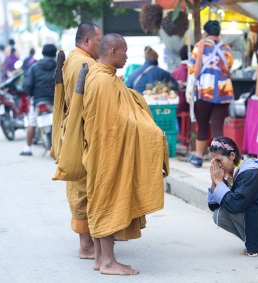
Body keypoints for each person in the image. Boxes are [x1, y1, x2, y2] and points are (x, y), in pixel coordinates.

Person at [82, 33, 167, 275]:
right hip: (108, 151)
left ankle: (101, 258)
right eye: (124, 51)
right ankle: (108, 263)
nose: (128, 56)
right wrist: (152, 132)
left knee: (100, 200)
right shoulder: (104, 81)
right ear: (112, 52)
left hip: (100, 150)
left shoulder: (102, 77)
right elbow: (119, 122)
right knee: (107, 200)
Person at [52, 22, 102, 260]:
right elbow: (94, 103)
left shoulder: (72, 57)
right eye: (99, 41)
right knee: (84, 188)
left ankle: (88, 241)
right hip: (83, 133)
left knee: (80, 187)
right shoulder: (87, 64)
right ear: (87, 41)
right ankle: (86, 245)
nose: (101, 45)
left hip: (72, 131)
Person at [186, 20, 234, 168]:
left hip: (204, 91)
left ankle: (198, 157)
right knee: (217, 127)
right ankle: (221, 161)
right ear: (218, 32)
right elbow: (230, 66)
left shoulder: (200, 46)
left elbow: (192, 70)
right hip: (223, 91)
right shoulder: (227, 49)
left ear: (205, 33)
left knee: (202, 125)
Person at [19, 44, 57, 156]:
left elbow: (27, 84)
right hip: (54, 100)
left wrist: (31, 95)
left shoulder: (34, 67)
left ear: (43, 53)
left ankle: (28, 148)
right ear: (54, 54)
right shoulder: (60, 67)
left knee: (32, 123)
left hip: (38, 100)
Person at [171, 45, 191, 134]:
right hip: (191, 105)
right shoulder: (192, 70)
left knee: (180, 127)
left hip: (178, 104)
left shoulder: (175, 72)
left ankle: (182, 138)